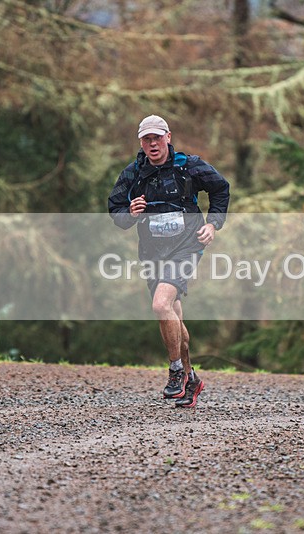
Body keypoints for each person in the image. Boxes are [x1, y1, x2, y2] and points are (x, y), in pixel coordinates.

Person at [108, 115, 230, 408]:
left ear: (168, 137)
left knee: (160, 305)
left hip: (188, 245)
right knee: (172, 314)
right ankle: (192, 379)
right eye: (147, 139)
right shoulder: (133, 173)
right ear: (141, 142)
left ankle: (175, 371)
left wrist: (213, 224)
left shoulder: (189, 166)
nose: (152, 144)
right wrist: (131, 213)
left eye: (157, 138)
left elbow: (221, 188)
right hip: (152, 252)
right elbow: (116, 211)